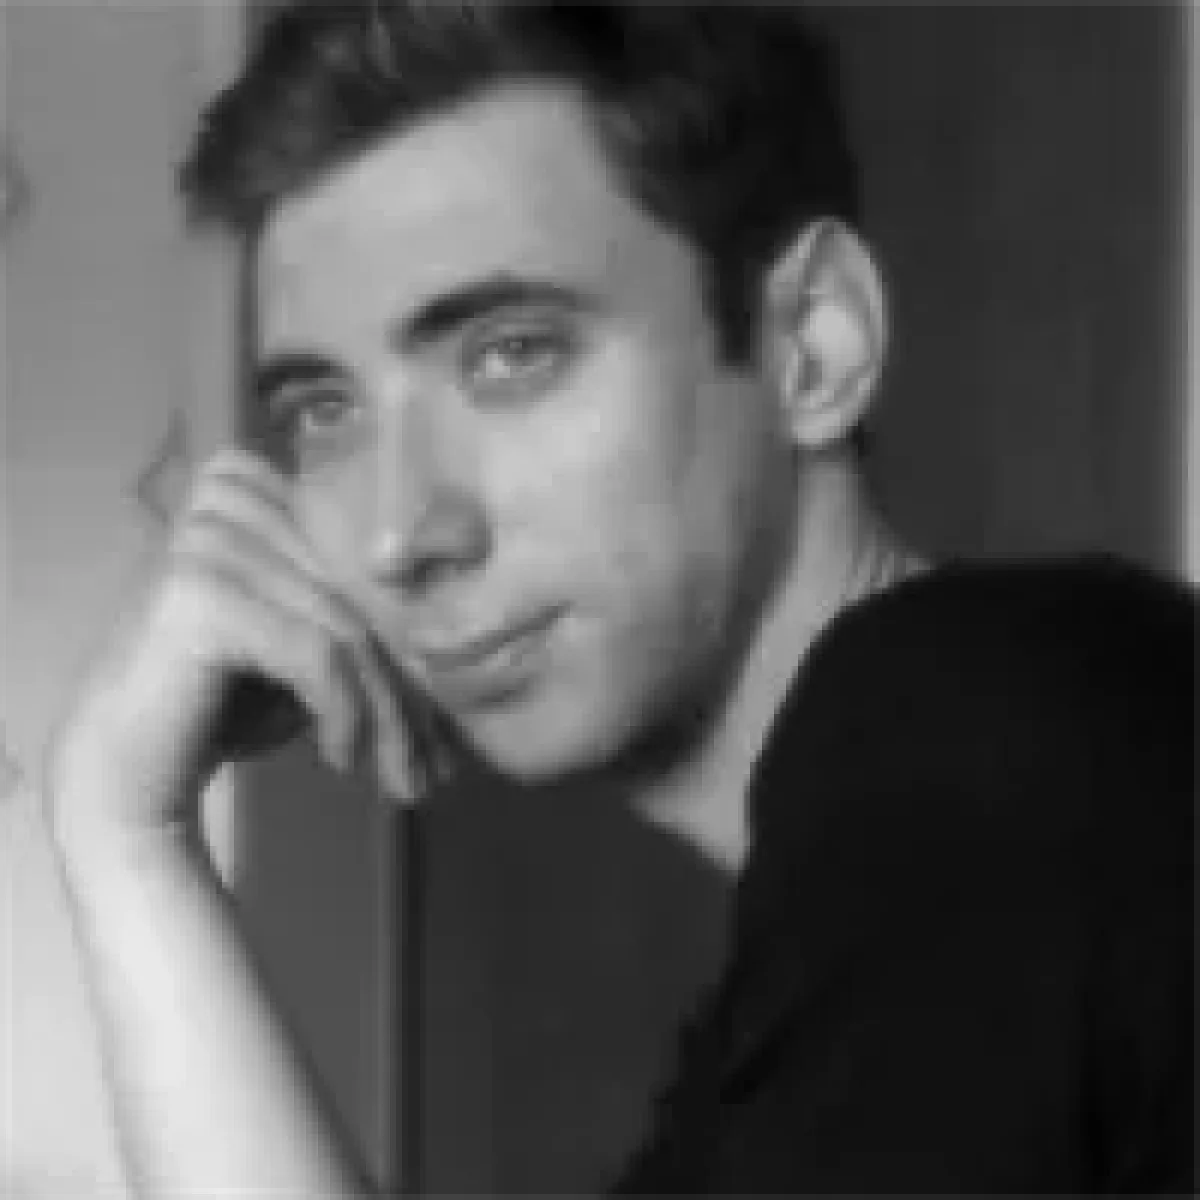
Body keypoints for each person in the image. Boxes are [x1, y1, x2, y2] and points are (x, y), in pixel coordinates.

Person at [41, 0, 1200, 1196]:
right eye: (325, 412)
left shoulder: (989, 748)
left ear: (814, 344)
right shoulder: (864, 905)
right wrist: (125, 834)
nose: (398, 536)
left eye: (511, 354)